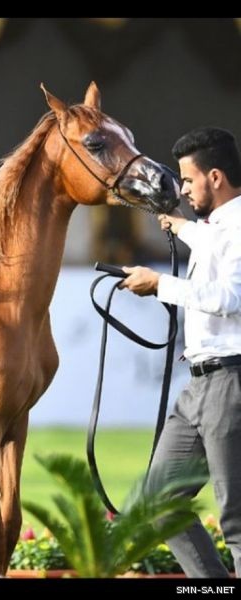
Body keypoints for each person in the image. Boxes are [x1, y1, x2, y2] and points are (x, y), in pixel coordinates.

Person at [120, 126, 241, 578]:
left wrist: (159, 285)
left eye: (188, 181)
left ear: (215, 176)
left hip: (231, 380)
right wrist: (184, 227)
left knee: (237, 520)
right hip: (200, 385)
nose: (184, 189)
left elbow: (231, 297)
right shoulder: (216, 228)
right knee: (157, 503)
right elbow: (214, 241)